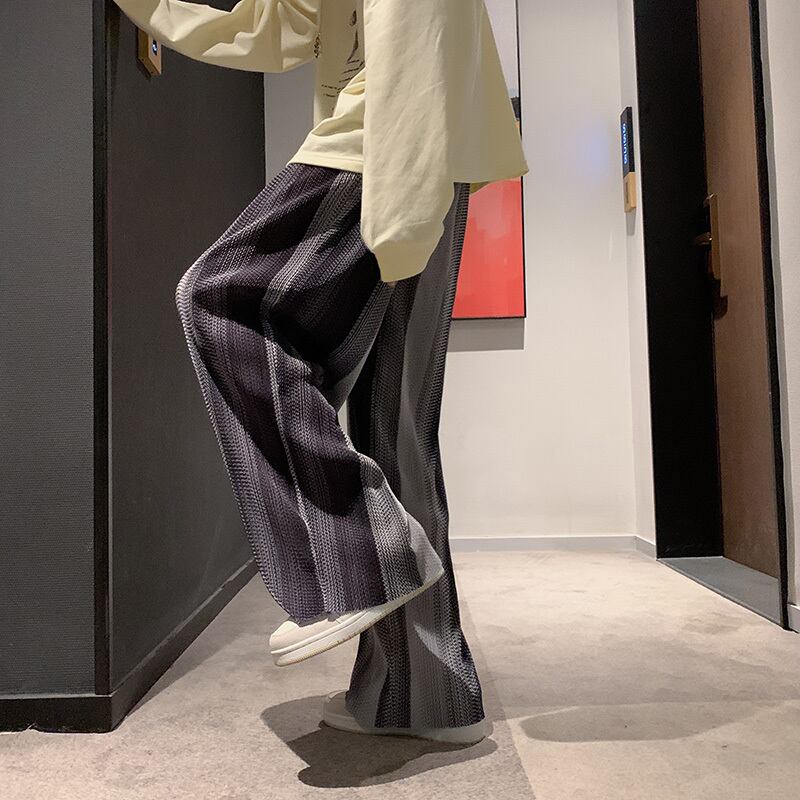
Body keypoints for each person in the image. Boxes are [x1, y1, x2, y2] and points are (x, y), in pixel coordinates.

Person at [112, 0, 528, 744]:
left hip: (386, 144)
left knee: (219, 299)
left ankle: (366, 556)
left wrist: (402, 211)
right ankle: (425, 700)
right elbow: (275, 26)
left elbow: (421, 22)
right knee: (394, 428)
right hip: (414, 148)